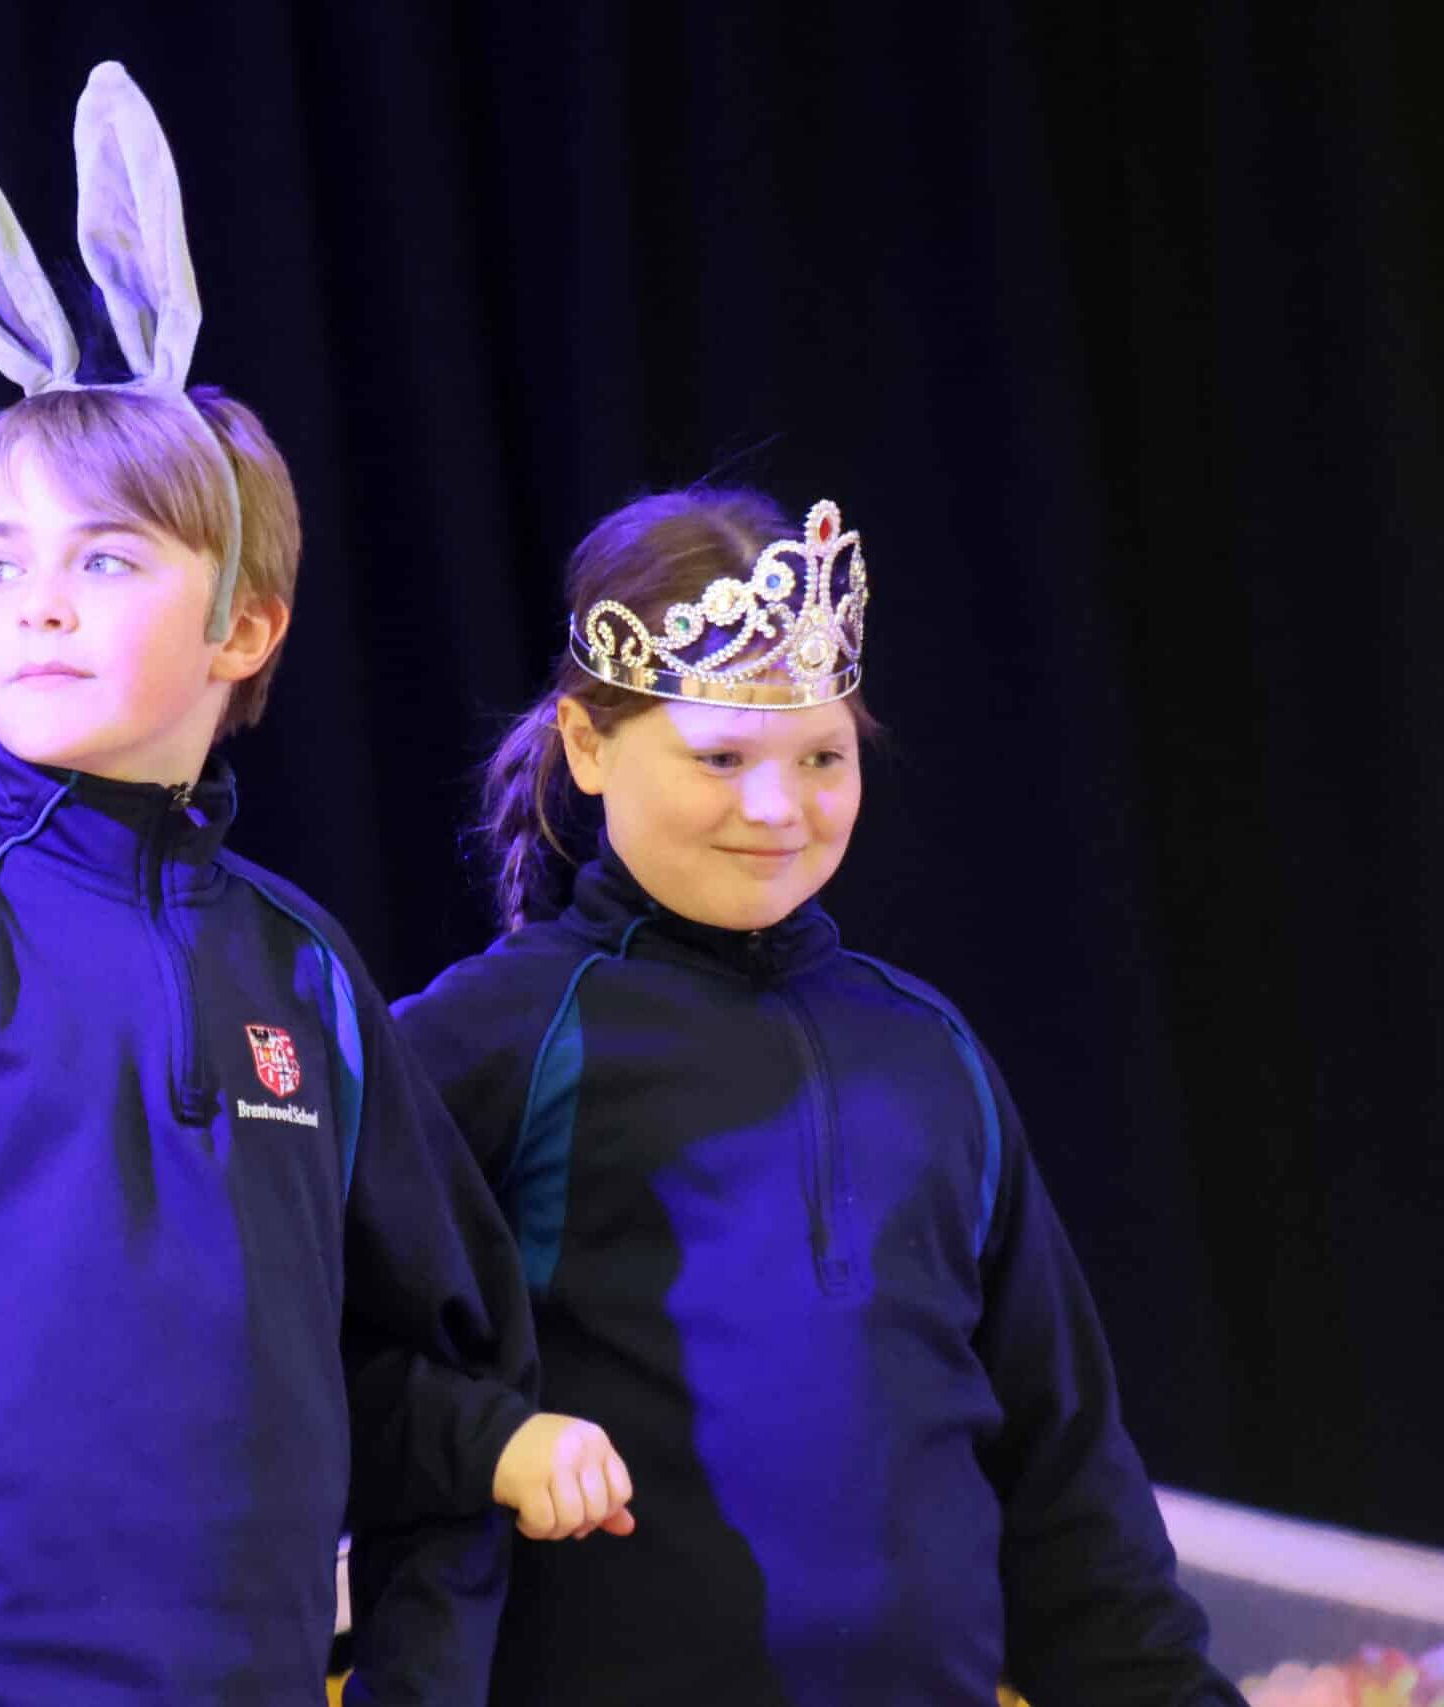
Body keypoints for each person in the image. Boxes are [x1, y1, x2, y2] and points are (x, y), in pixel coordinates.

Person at [0, 64, 626, 1706]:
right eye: (1, 562)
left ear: (245, 627)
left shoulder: (300, 970)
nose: (39, 604)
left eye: (108, 558)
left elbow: (437, 1368)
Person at [392, 485, 1248, 1705]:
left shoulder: (928, 1051)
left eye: (821, 755)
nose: (775, 809)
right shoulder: (484, 1043)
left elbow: (1067, 1483)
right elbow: (333, 1369)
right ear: (588, 743)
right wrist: (488, 1442)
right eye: (720, 755)